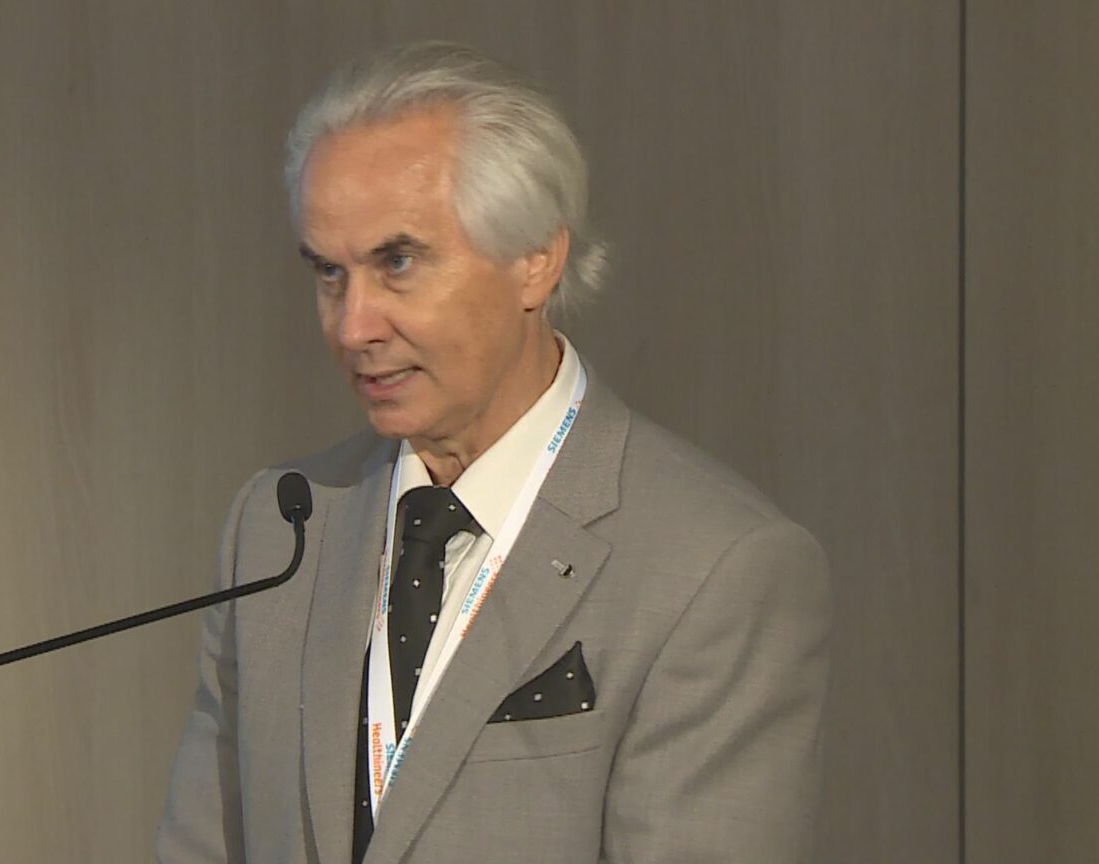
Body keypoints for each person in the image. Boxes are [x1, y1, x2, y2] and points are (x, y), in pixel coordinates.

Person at [157, 41, 830, 864]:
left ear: (536, 260)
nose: (353, 326)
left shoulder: (715, 568)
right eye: (329, 274)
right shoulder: (278, 527)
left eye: (397, 262)